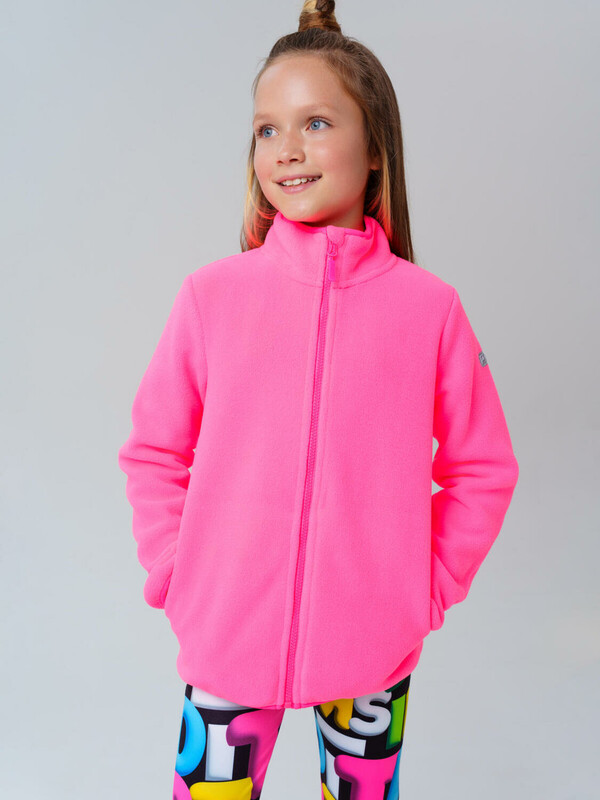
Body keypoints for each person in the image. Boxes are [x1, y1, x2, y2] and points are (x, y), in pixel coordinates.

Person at [117, 1, 520, 798]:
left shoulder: (430, 311)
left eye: (316, 123)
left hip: (373, 645)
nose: (287, 150)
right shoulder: (212, 298)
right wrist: (176, 570)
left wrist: (423, 590)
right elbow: (153, 450)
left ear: (376, 150)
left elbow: (483, 468)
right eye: (267, 129)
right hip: (227, 633)